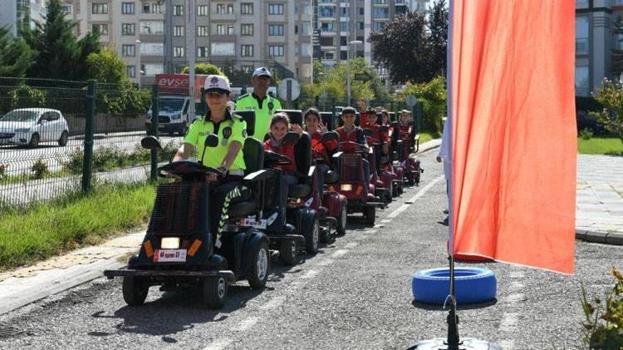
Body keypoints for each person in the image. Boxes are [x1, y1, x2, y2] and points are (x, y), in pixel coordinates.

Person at [173, 74, 248, 247]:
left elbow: (234, 148)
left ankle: (212, 243)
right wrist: (175, 165)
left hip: (233, 180)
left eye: (219, 94)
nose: (214, 98)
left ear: (227, 96)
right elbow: (186, 148)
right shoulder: (198, 124)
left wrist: (221, 169)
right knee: (177, 194)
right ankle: (179, 243)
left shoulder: (238, 123)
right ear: (205, 97)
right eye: (210, 94)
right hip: (204, 178)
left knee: (220, 196)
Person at [235, 67, 283, 141]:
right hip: (248, 146)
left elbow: (281, 126)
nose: (263, 82)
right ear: (252, 81)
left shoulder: (276, 103)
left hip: (270, 146)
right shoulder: (241, 101)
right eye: (259, 79)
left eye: (265, 79)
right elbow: (236, 126)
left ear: (269, 82)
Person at [335, 107, 371, 190]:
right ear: (342, 118)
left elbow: (364, 143)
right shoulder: (337, 132)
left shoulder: (359, 131)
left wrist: (365, 146)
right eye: (346, 117)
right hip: (341, 159)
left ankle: (366, 188)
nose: (349, 119)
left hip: (356, 159)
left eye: (351, 116)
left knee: (365, 163)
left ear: (355, 117)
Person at [264, 113, 299, 186]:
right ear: (271, 129)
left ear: (287, 129)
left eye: (283, 129)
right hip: (272, 174)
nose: (279, 132)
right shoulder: (266, 145)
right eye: (276, 128)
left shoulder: (291, 142)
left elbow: (290, 163)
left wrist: (300, 134)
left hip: (289, 174)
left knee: (280, 180)